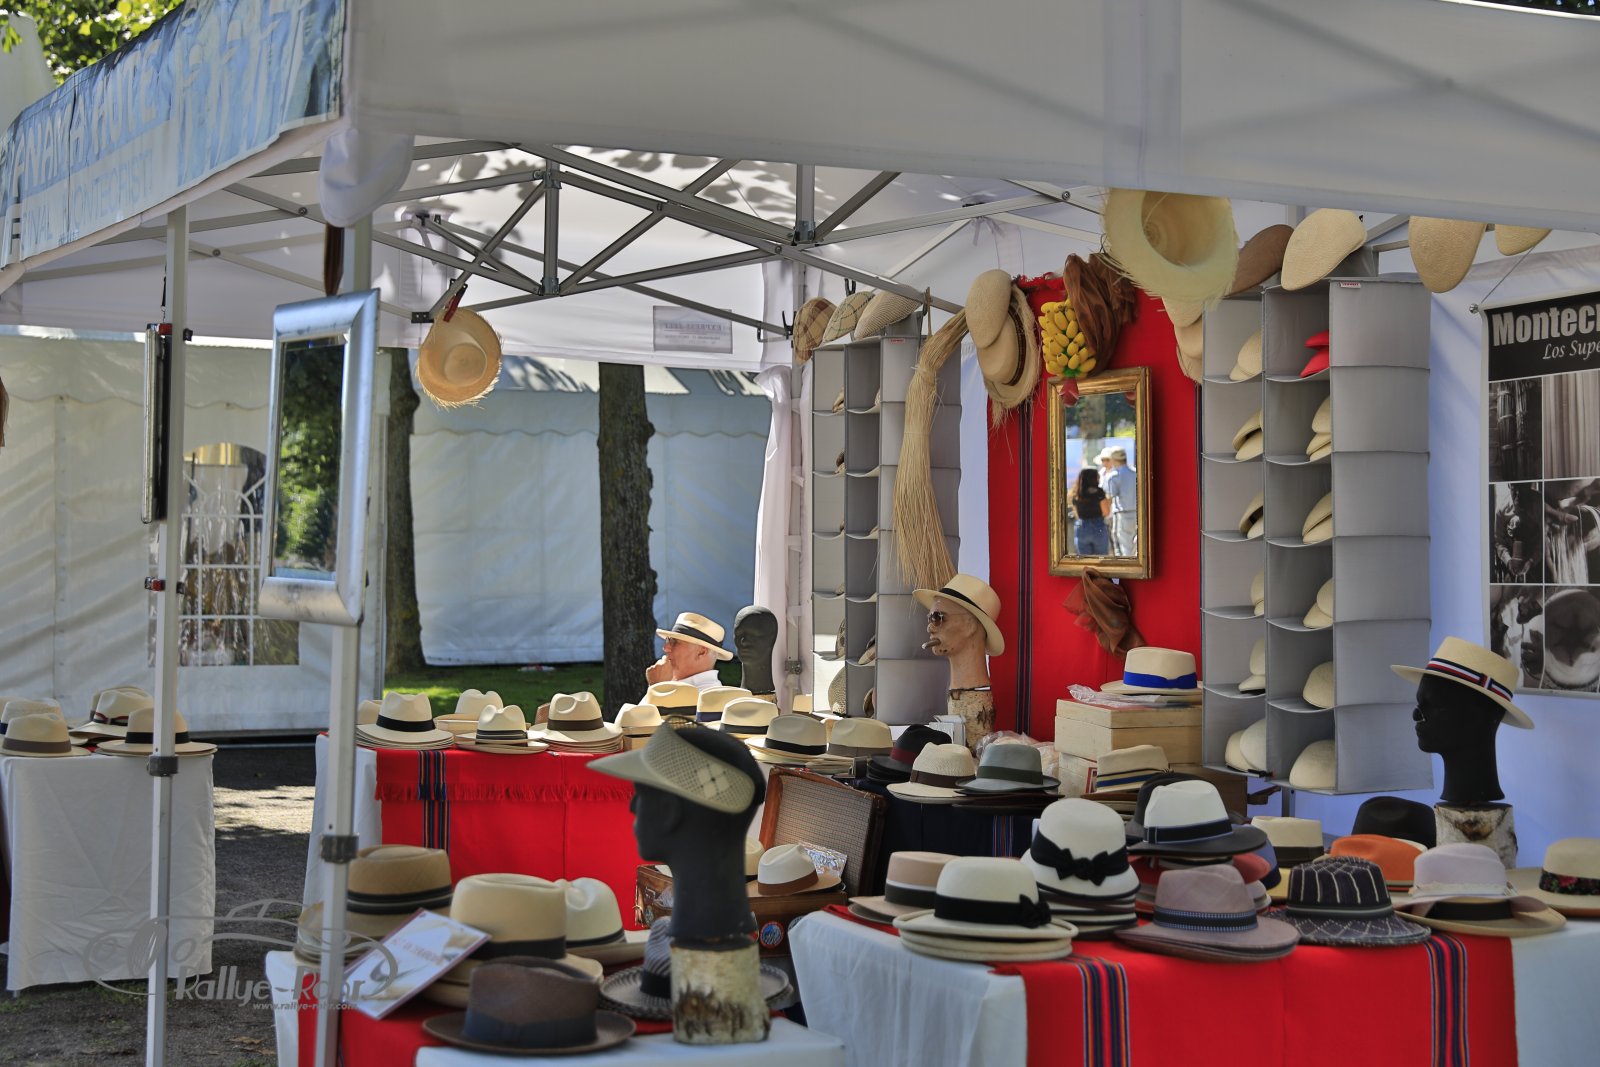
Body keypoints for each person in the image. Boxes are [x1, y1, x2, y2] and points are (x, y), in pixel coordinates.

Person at [644, 612, 733, 690]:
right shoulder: (673, 683)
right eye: (668, 640)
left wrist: (657, 687)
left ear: (702, 652)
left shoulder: (707, 695)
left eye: (674, 642)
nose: (665, 648)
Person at [1101, 447, 1137, 556]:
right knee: (1135, 546)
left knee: (1124, 547)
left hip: (1122, 514)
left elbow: (1110, 496)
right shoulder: (1135, 473)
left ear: (1113, 459)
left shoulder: (1114, 476)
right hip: (1137, 513)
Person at [1068, 468, 1110, 556]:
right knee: (1101, 559)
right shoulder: (1099, 492)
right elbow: (1106, 512)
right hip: (1098, 526)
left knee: (1085, 559)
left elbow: (1077, 515)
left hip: (1082, 526)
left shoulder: (1076, 494)